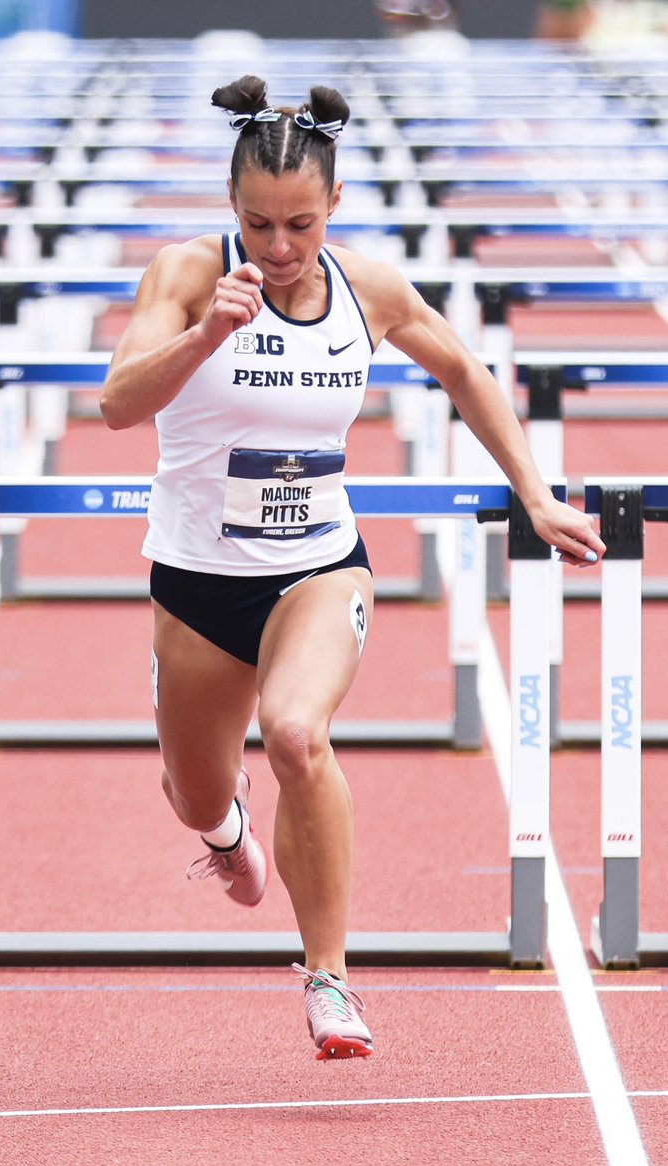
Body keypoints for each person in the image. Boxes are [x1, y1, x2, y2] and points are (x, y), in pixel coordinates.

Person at [100, 75, 606, 1061]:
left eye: (299, 224)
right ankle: (225, 836)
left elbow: (464, 368)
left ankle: (328, 978)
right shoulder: (188, 275)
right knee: (195, 793)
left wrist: (535, 492)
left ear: (334, 205)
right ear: (230, 207)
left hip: (319, 566)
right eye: (257, 224)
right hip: (199, 581)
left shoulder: (368, 288)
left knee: (296, 733)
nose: (280, 250)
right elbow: (119, 403)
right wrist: (208, 335)